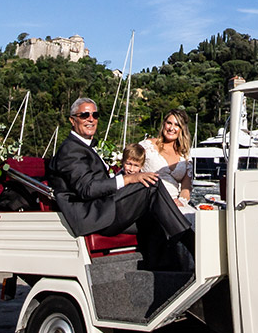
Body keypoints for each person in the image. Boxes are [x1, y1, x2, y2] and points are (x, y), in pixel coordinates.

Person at [47, 98, 193, 269]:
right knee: (152, 184)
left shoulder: (84, 147)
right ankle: (191, 242)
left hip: (104, 206)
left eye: (95, 115)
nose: (91, 119)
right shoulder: (70, 150)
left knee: (155, 218)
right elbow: (87, 189)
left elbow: (186, 186)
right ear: (73, 120)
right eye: (85, 115)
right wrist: (128, 179)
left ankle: (163, 277)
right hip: (92, 215)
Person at [140, 109, 194, 213]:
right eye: (169, 123)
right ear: (164, 124)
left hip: (175, 203)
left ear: (182, 129)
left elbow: (186, 188)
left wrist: (181, 201)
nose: (171, 128)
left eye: (177, 125)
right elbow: (130, 166)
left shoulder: (185, 156)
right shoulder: (147, 146)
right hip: (150, 199)